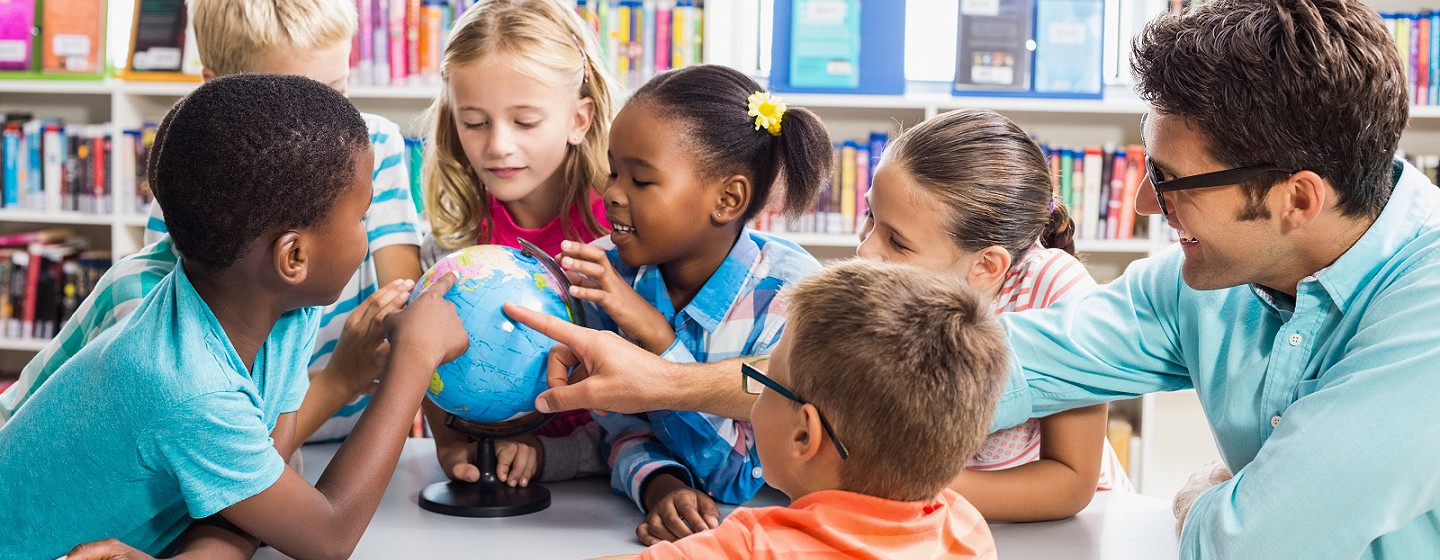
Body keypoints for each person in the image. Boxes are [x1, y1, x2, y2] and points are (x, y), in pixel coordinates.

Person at [509, 1, 1440, 556]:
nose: (1149, 208)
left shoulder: (1426, 313)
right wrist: (670, 378)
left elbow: (1253, 542)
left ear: (1298, 198)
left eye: (1170, 183)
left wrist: (1207, 495)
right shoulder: (1196, 284)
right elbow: (940, 372)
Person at [0, 74, 467, 559]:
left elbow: (266, 491)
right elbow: (326, 537)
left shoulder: (280, 309)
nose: (365, 235)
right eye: (361, 217)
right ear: (293, 258)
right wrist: (414, 356)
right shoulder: (187, 384)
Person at [0, 0, 426, 447]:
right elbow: (204, 393)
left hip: (346, 439)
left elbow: (407, 302)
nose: (326, 130)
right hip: (246, 441)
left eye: (337, 91)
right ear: (214, 89)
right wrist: (341, 378)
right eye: (293, 105)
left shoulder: (372, 145)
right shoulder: (196, 190)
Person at [497, 65, 830, 542]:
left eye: (641, 181)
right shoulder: (607, 277)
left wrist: (657, 335)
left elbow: (741, 475)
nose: (611, 193)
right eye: (614, 171)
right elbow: (625, 431)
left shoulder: (789, 297)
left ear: (728, 199)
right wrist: (660, 484)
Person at [579, 260, 1004, 559]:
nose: (754, 398)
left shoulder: (749, 548)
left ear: (804, 435)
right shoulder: (962, 524)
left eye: (763, 383)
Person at [857, 108, 1130, 521]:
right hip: (934, 516)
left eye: (896, 241)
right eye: (870, 218)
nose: (865, 251)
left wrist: (911, 486)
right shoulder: (879, 284)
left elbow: (1071, 483)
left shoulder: (1058, 295)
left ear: (986, 266)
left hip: (1058, 530)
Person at [421, 0, 618, 477]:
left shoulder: (619, 238)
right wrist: (450, 448)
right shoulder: (456, 242)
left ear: (579, 119)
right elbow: (431, 372)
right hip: (494, 475)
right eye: (474, 122)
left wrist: (556, 456)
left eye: (525, 122)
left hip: (610, 477)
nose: (498, 146)